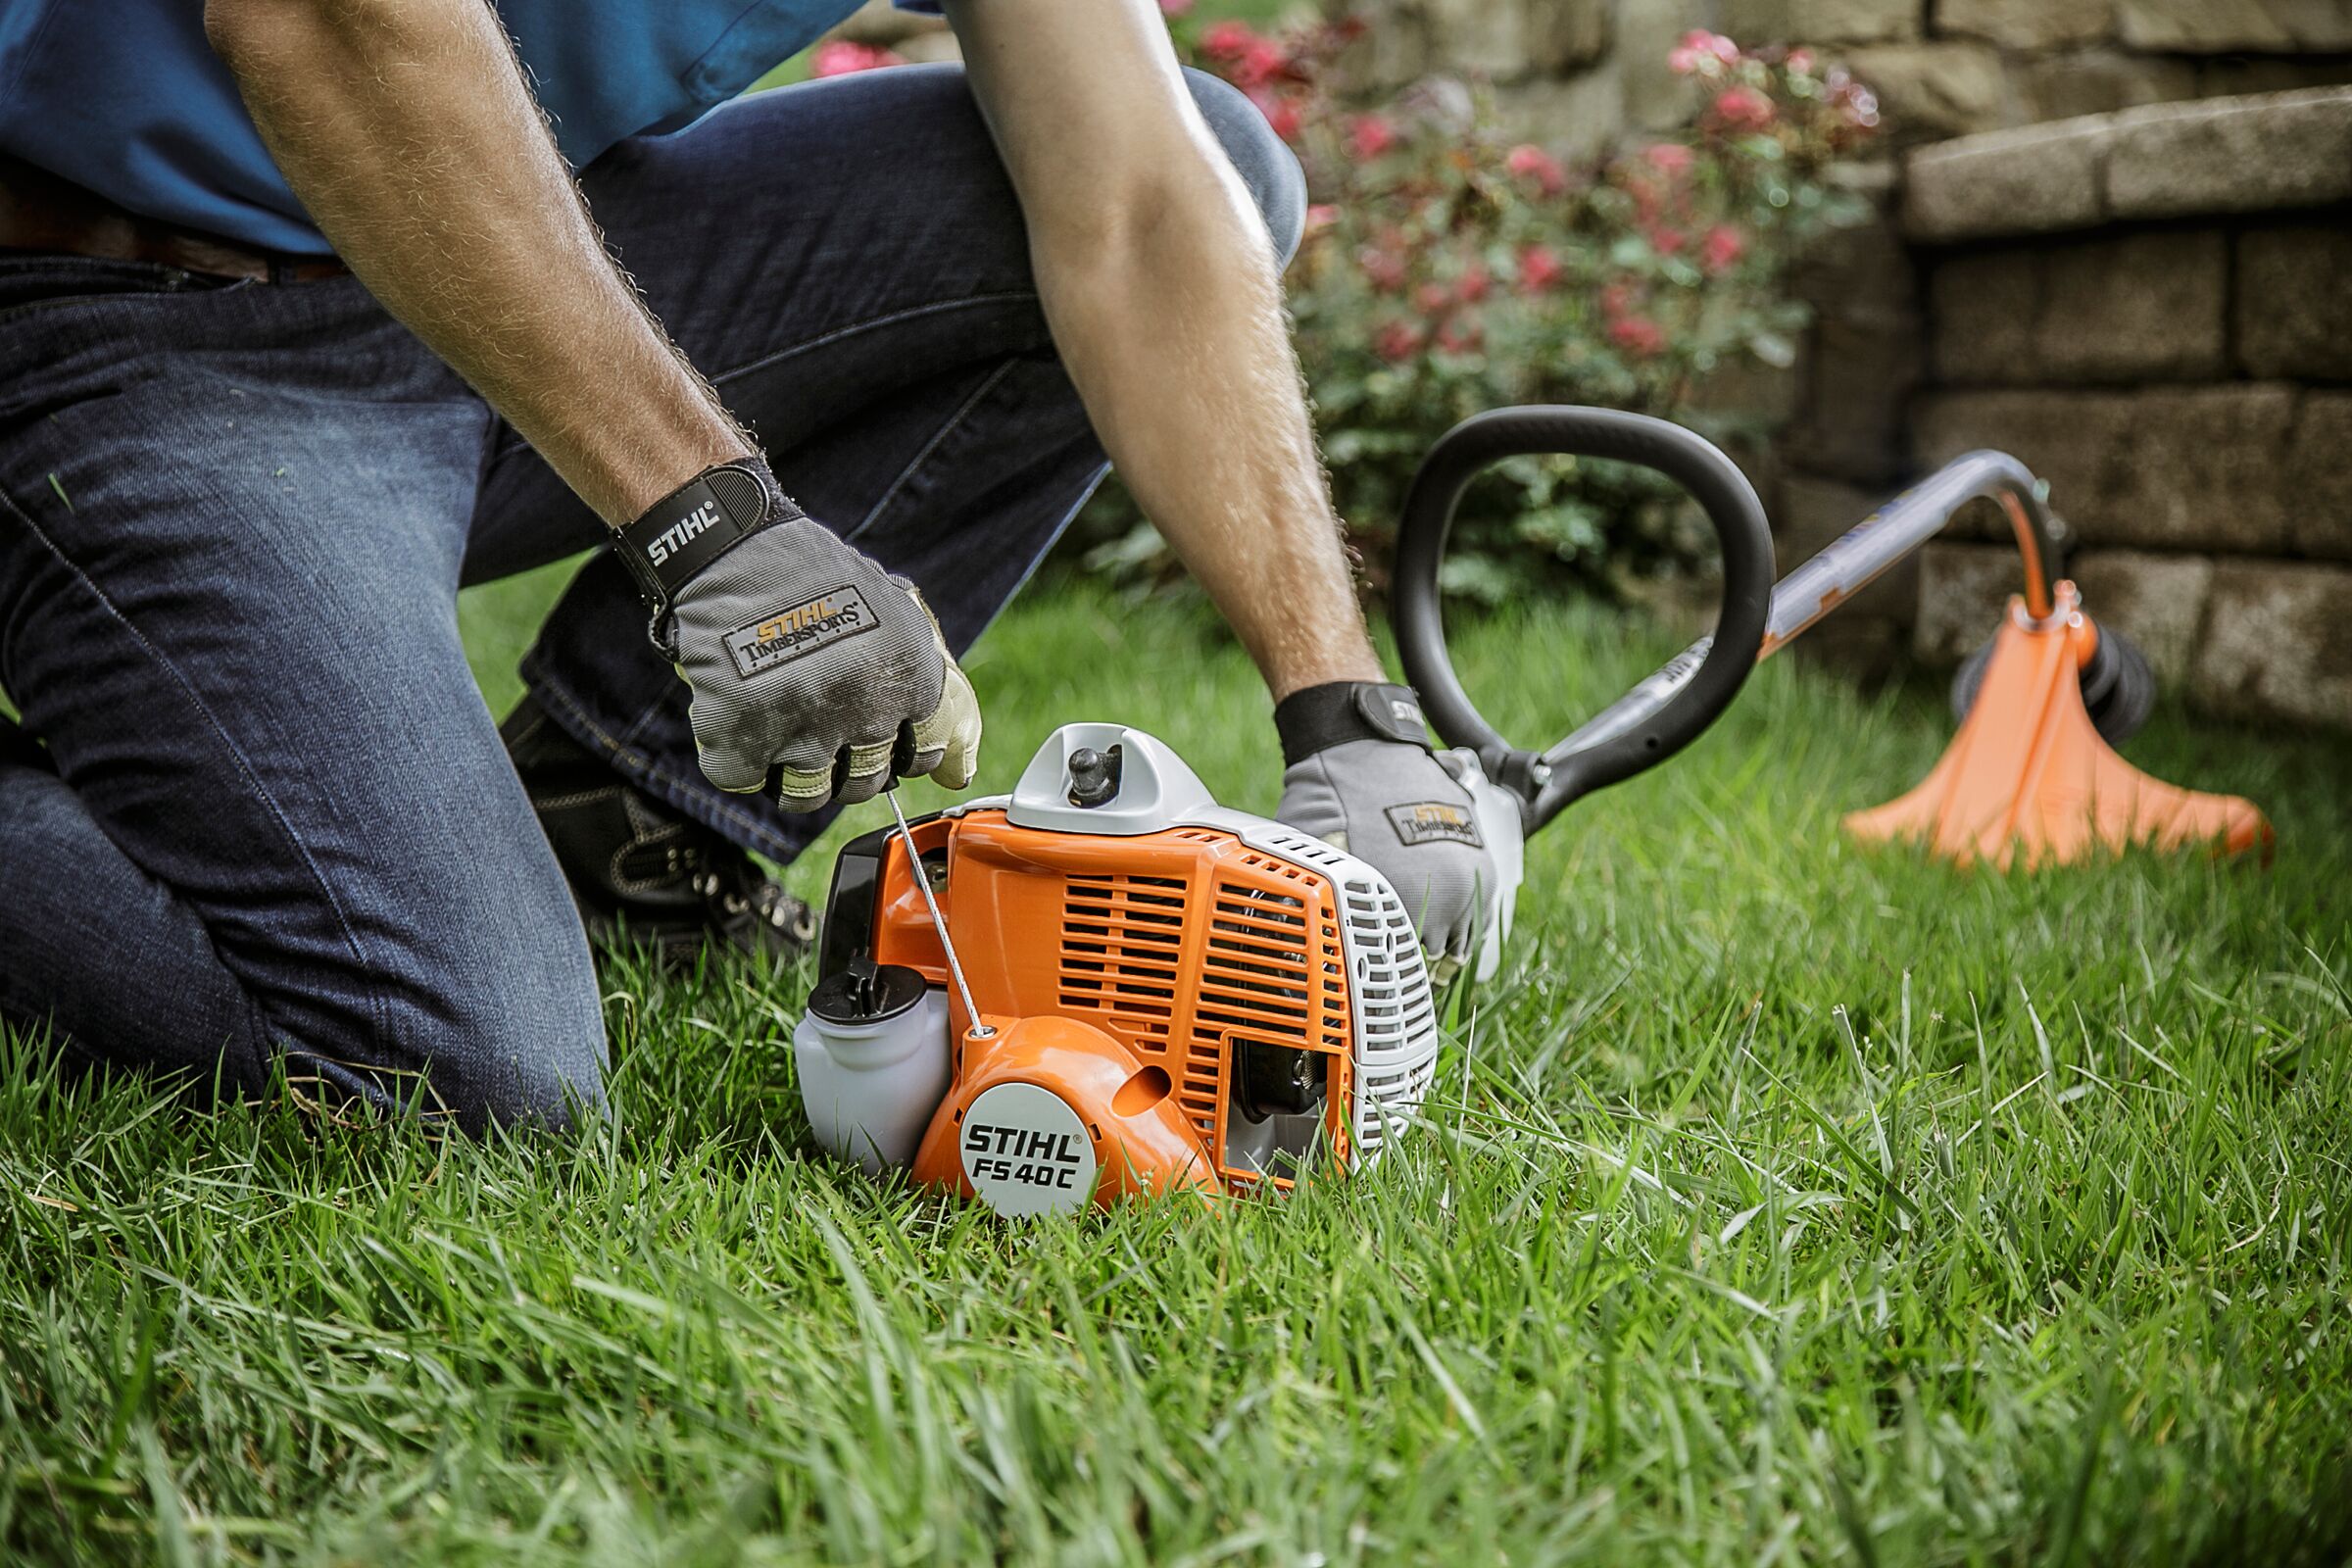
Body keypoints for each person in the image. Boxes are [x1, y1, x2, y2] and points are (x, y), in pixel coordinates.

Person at [0, 0, 1497, 1131]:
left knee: (1219, 158)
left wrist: (1343, 711)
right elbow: (333, 24)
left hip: (494, 260)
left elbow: (1142, 210)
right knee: (458, 1063)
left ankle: (626, 820)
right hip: (123, 309)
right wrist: (714, 524)